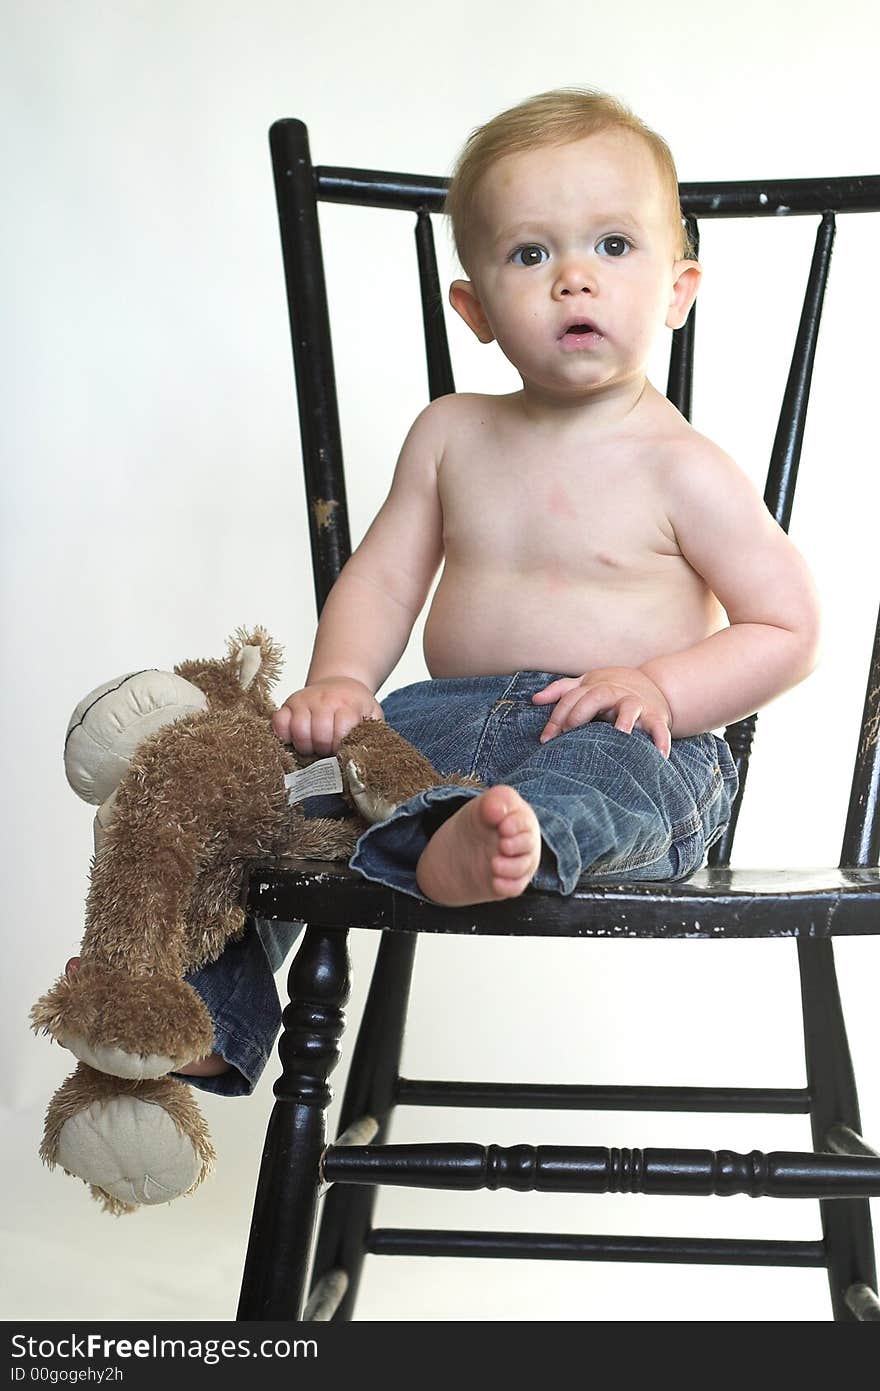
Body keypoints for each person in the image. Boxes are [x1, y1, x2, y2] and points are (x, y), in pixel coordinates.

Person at [70, 88, 823, 1091]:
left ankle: (485, 838)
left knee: (611, 784)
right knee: (258, 799)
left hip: (621, 737)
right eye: (529, 255)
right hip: (428, 727)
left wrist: (662, 689)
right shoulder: (450, 435)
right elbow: (381, 573)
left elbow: (787, 624)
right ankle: (198, 1015)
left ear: (679, 289)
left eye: (611, 245)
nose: (571, 281)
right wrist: (341, 678)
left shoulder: (684, 467)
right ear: (472, 308)